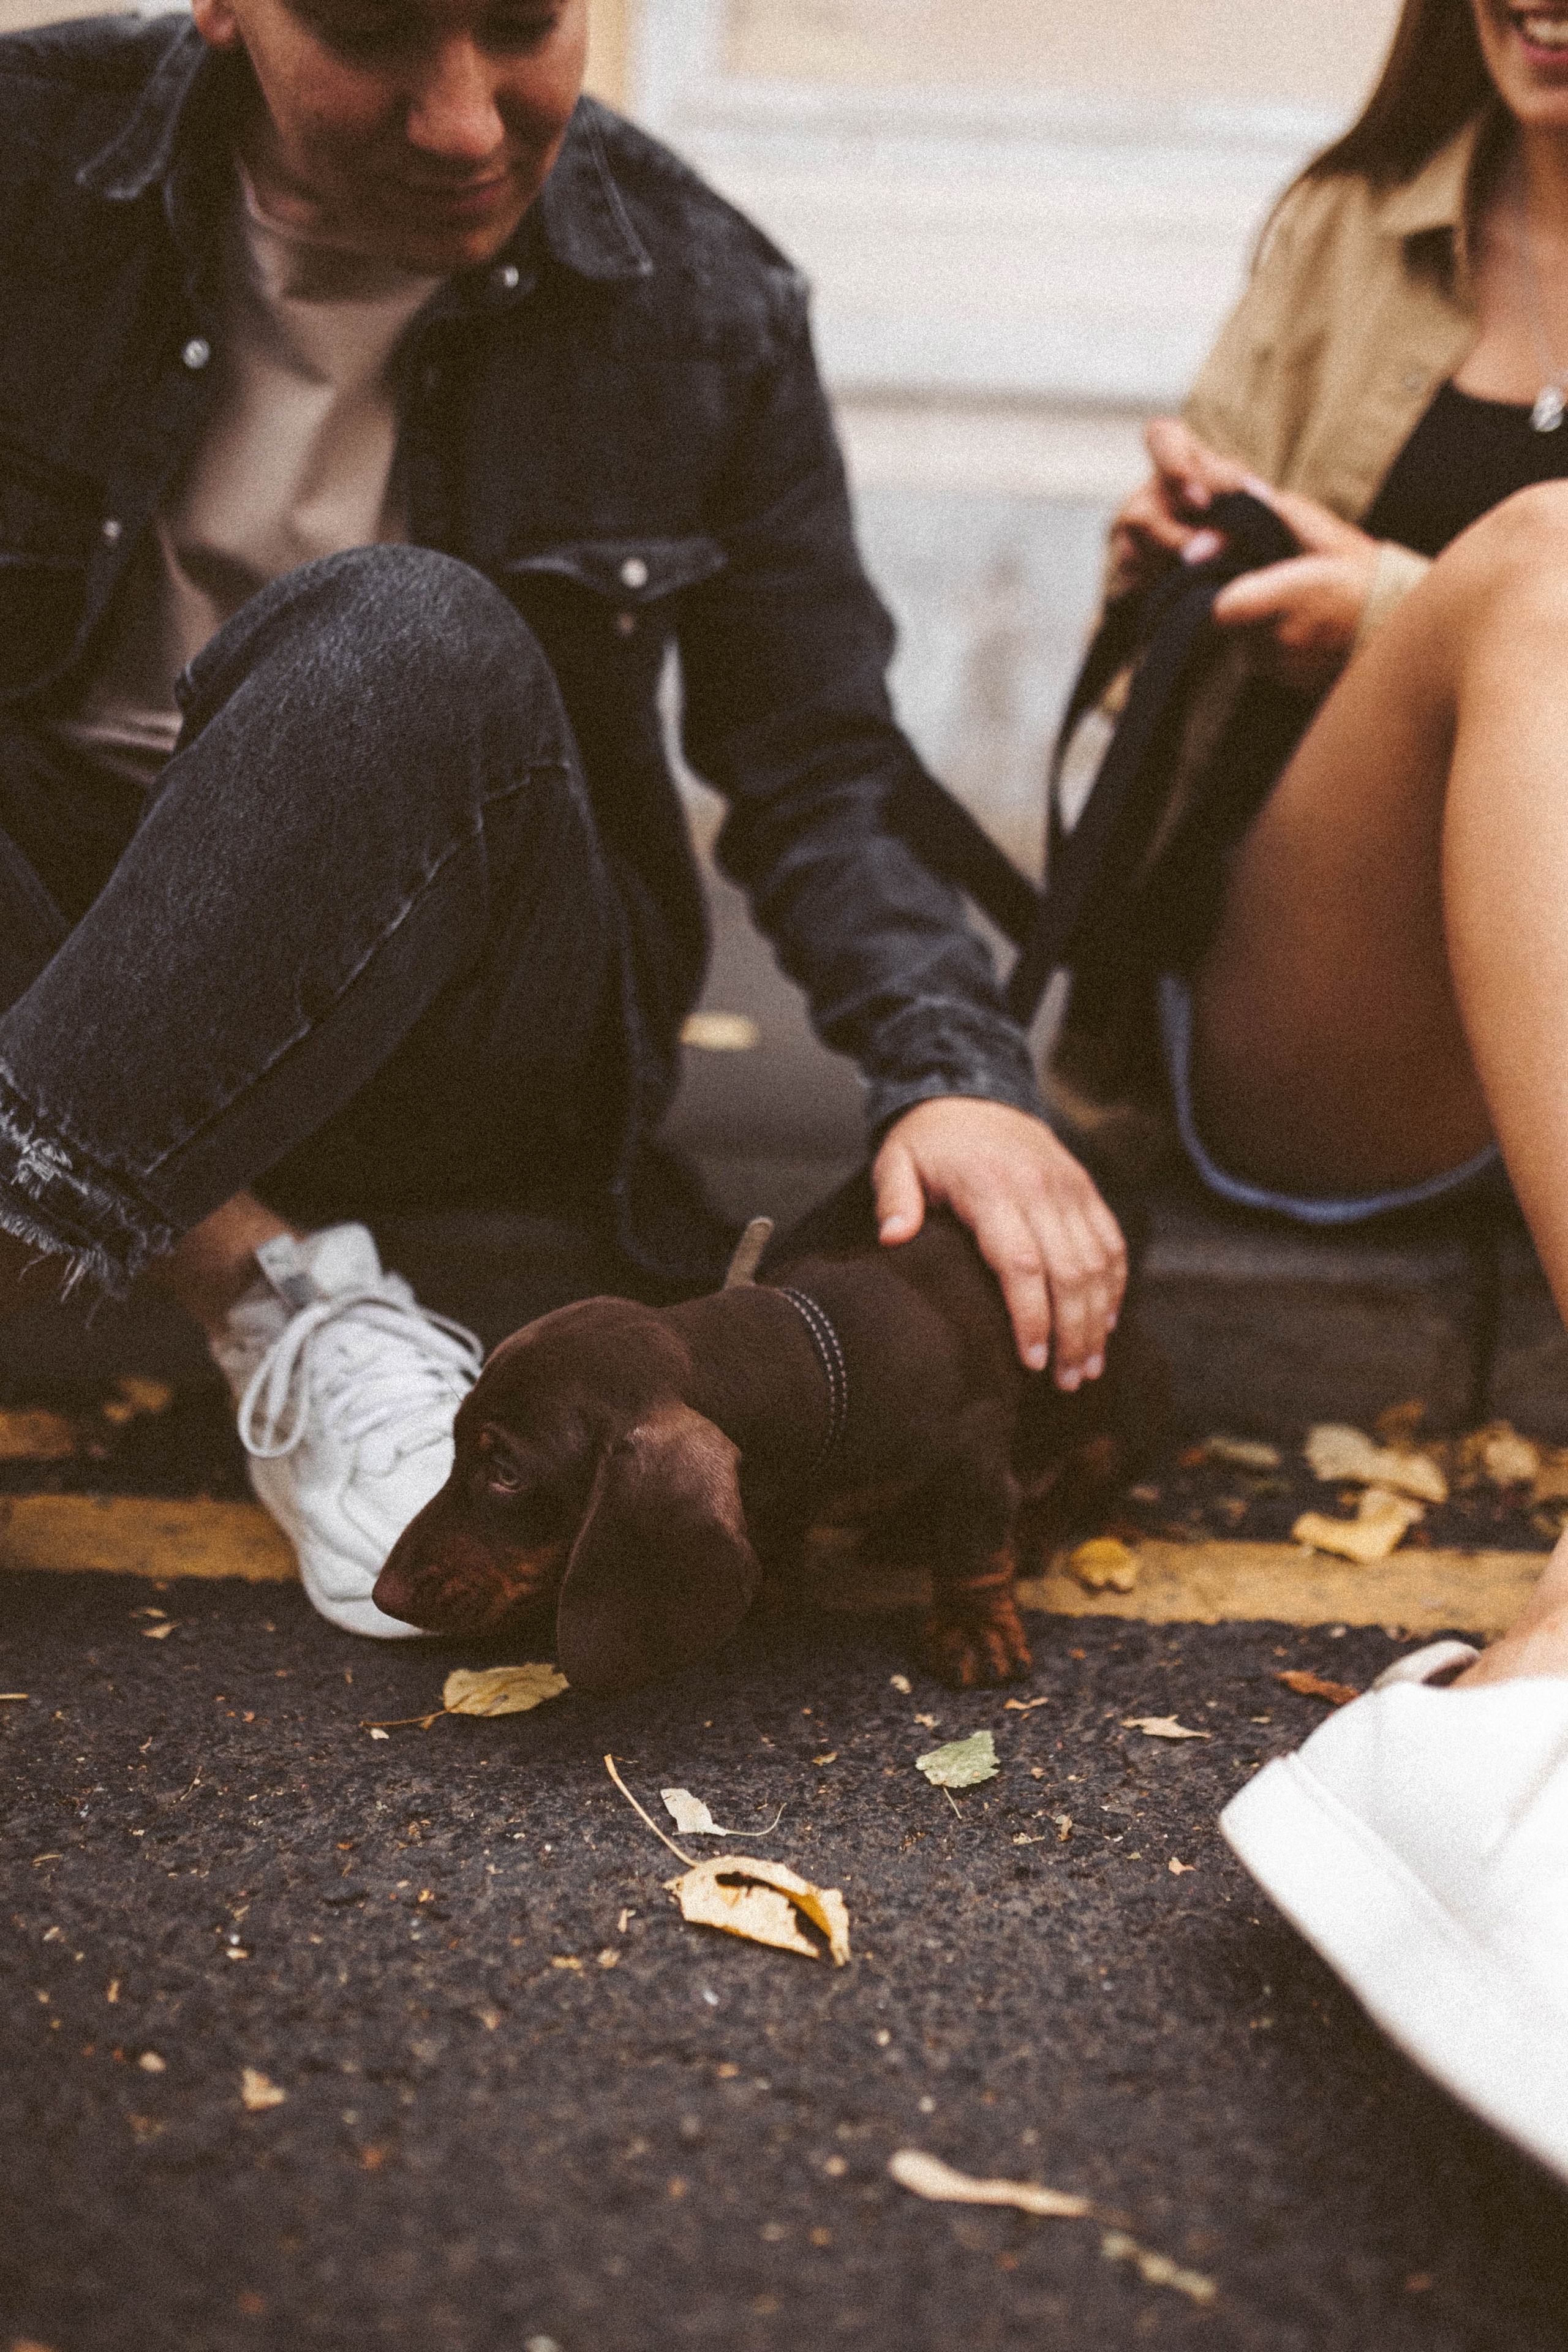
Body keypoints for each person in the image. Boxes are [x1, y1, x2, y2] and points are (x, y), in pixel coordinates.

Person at [0, 0, 1126, 1638]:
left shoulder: (698, 292)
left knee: (406, 638)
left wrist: (953, 1078)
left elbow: (815, 760)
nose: (464, 122)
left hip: (453, 1019)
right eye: (381, 33)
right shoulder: (31, 167)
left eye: (524, 24)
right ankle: (257, 1279)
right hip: (52, 947)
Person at [1091, 0, 1568, 2183]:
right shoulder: (1351, 228)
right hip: (1335, 997)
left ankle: (1510, 1749)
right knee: (1548, 575)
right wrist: (1227, 571)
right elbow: (1171, 606)